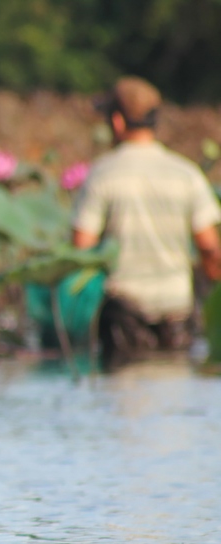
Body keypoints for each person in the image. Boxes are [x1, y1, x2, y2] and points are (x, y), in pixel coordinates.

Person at [72, 76, 221, 368]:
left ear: (116, 122)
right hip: (178, 309)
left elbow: (81, 247)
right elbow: (209, 251)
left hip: (124, 312)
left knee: (124, 400)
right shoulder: (187, 174)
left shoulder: (103, 175)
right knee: (173, 397)